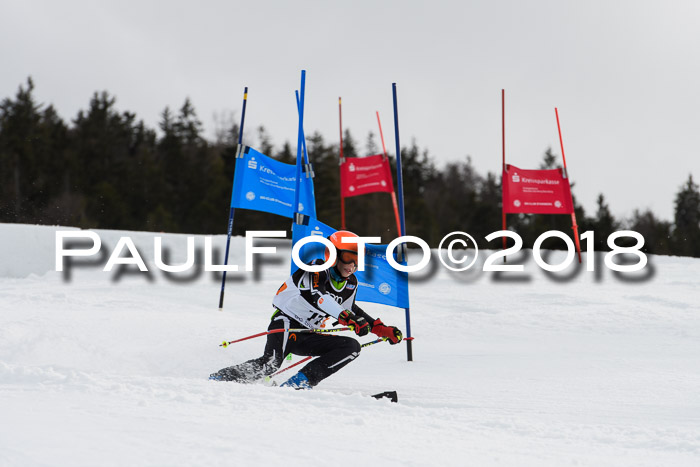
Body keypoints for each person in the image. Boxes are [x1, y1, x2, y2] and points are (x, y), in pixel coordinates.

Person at [209, 230, 403, 389]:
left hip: (309, 334)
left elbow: (350, 309)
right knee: (271, 364)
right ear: (332, 254)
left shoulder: (351, 283)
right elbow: (319, 297)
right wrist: (348, 319)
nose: (352, 265)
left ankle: (299, 383)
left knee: (351, 347)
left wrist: (381, 329)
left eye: (357, 260)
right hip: (286, 324)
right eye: (348, 257)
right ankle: (222, 378)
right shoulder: (315, 269)